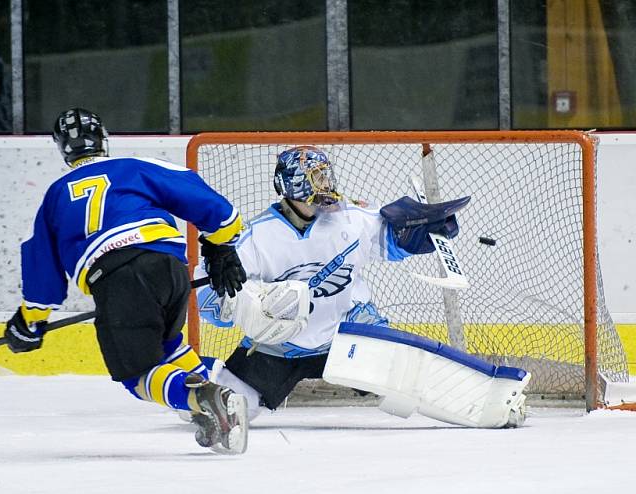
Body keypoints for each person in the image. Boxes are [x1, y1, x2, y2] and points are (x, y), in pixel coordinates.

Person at [194, 146, 528, 428]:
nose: (326, 184)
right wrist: (245, 305)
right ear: (295, 185)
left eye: (326, 175)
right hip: (281, 346)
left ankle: (494, 401)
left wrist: (421, 234)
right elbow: (212, 305)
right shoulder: (256, 238)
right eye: (317, 177)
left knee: (406, 382)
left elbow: (392, 241)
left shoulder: (348, 217)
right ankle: (197, 375)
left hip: (349, 331)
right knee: (231, 408)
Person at [4, 108, 249, 454]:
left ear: (63, 149)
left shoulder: (57, 194)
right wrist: (220, 244)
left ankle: (207, 397)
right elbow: (208, 202)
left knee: (137, 375)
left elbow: (42, 268)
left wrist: (31, 323)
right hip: (170, 268)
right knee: (167, 345)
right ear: (104, 139)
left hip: (118, 277)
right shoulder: (133, 167)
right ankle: (213, 416)